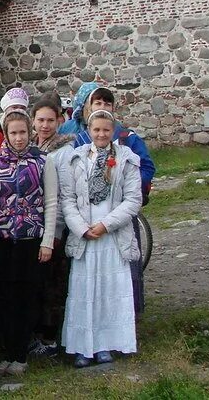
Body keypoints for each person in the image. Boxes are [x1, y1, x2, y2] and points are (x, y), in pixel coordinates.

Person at [0, 110, 58, 377]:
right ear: (6, 134)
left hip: (31, 238)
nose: (19, 137)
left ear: (30, 132)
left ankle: (20, 355)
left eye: (23, 132)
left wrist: (47, 242)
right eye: (13, 133)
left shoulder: (42, 161)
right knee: (5, 298)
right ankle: (8, 353)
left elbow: (51, 203)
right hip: (1, 239)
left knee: (27, 297)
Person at [63, 83, 155, 313]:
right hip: (85, 217)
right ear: (86, 106)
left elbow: (144, 166)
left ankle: (129, 314)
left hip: (117, 212)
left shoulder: (124, 136)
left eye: (107, 103)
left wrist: (123, 187)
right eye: (97, 103)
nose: (102, 107)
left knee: (125, 267)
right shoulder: (73, 136)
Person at [60, 110, 142, 368]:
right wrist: (82, 228)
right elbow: (68, 199)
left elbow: (133, 200)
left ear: (113, 130)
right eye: (96, 130)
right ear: (89, 131)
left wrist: (106, 225)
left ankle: (106, 344)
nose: (101, 134)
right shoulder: (77, 159)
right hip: (85, 236)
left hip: (112, 236)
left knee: (109, 292)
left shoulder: (127, 160)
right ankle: (83, 347)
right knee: (85, 292)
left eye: (106, 130)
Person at [28, 94, 76, 358]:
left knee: (51, 284)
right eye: (40, 120)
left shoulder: (64, 152)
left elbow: (64, 194)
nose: (45, 125)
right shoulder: (31, 146)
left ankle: (49, 337)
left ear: (59, 121)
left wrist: (55, 231)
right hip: (31, 226)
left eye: (50, 120)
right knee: (35, 282)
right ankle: (34, 333)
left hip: (53, 227)